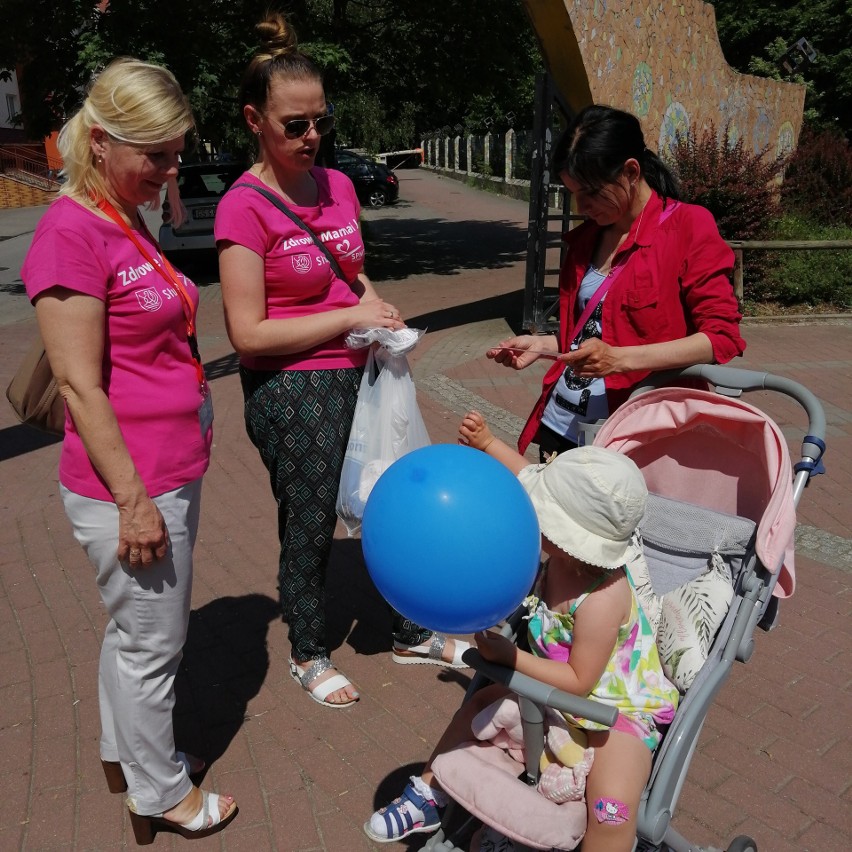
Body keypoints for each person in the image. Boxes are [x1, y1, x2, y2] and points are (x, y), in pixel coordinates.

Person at [214, 12, 468, 709]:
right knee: (312, 514)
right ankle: (307, 647)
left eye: (319, 121)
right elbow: (248, 333)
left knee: (394, 496)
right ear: (253, 120)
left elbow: (348, 273)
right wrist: (351, 317)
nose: (311, 136)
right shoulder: (243, 207)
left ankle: (413, 627)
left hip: (362, 370)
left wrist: (379, 312)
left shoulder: (340, 187)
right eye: (294, 124)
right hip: (291, 386)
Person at [20, 59, 238, 842]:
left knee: (133, 632)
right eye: (158, 155)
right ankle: (160, 793)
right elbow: (80, 387)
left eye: (178, 152)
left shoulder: (119, 215)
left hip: (165, 468)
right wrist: (134, 501)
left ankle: (123, 752)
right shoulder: (70, 234)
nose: (172, 169)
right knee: (155, 646)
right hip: (132, 483)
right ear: (104, 143)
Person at [364, 411, 678, 851]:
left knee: (612, 805)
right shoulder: (559, 557)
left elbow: (580, 681)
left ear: (567, 536)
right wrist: (487, 442)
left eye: (539, 512)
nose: (525, 515)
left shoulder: (604, 597)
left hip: (613, 711)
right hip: (546, 695)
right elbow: (527, 476)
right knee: (477, 707)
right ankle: (429, 793)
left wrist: (510, 658)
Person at [488, 105, 746, 460]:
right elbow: (599, 329)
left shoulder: (688, 227)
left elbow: (721, 338)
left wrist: (621, 360)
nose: (581, 206)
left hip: (633, 434)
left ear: (630, 171)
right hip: (561, 423)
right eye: (573, 193)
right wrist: (544, 344)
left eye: (592, 192)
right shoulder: (585, 240)